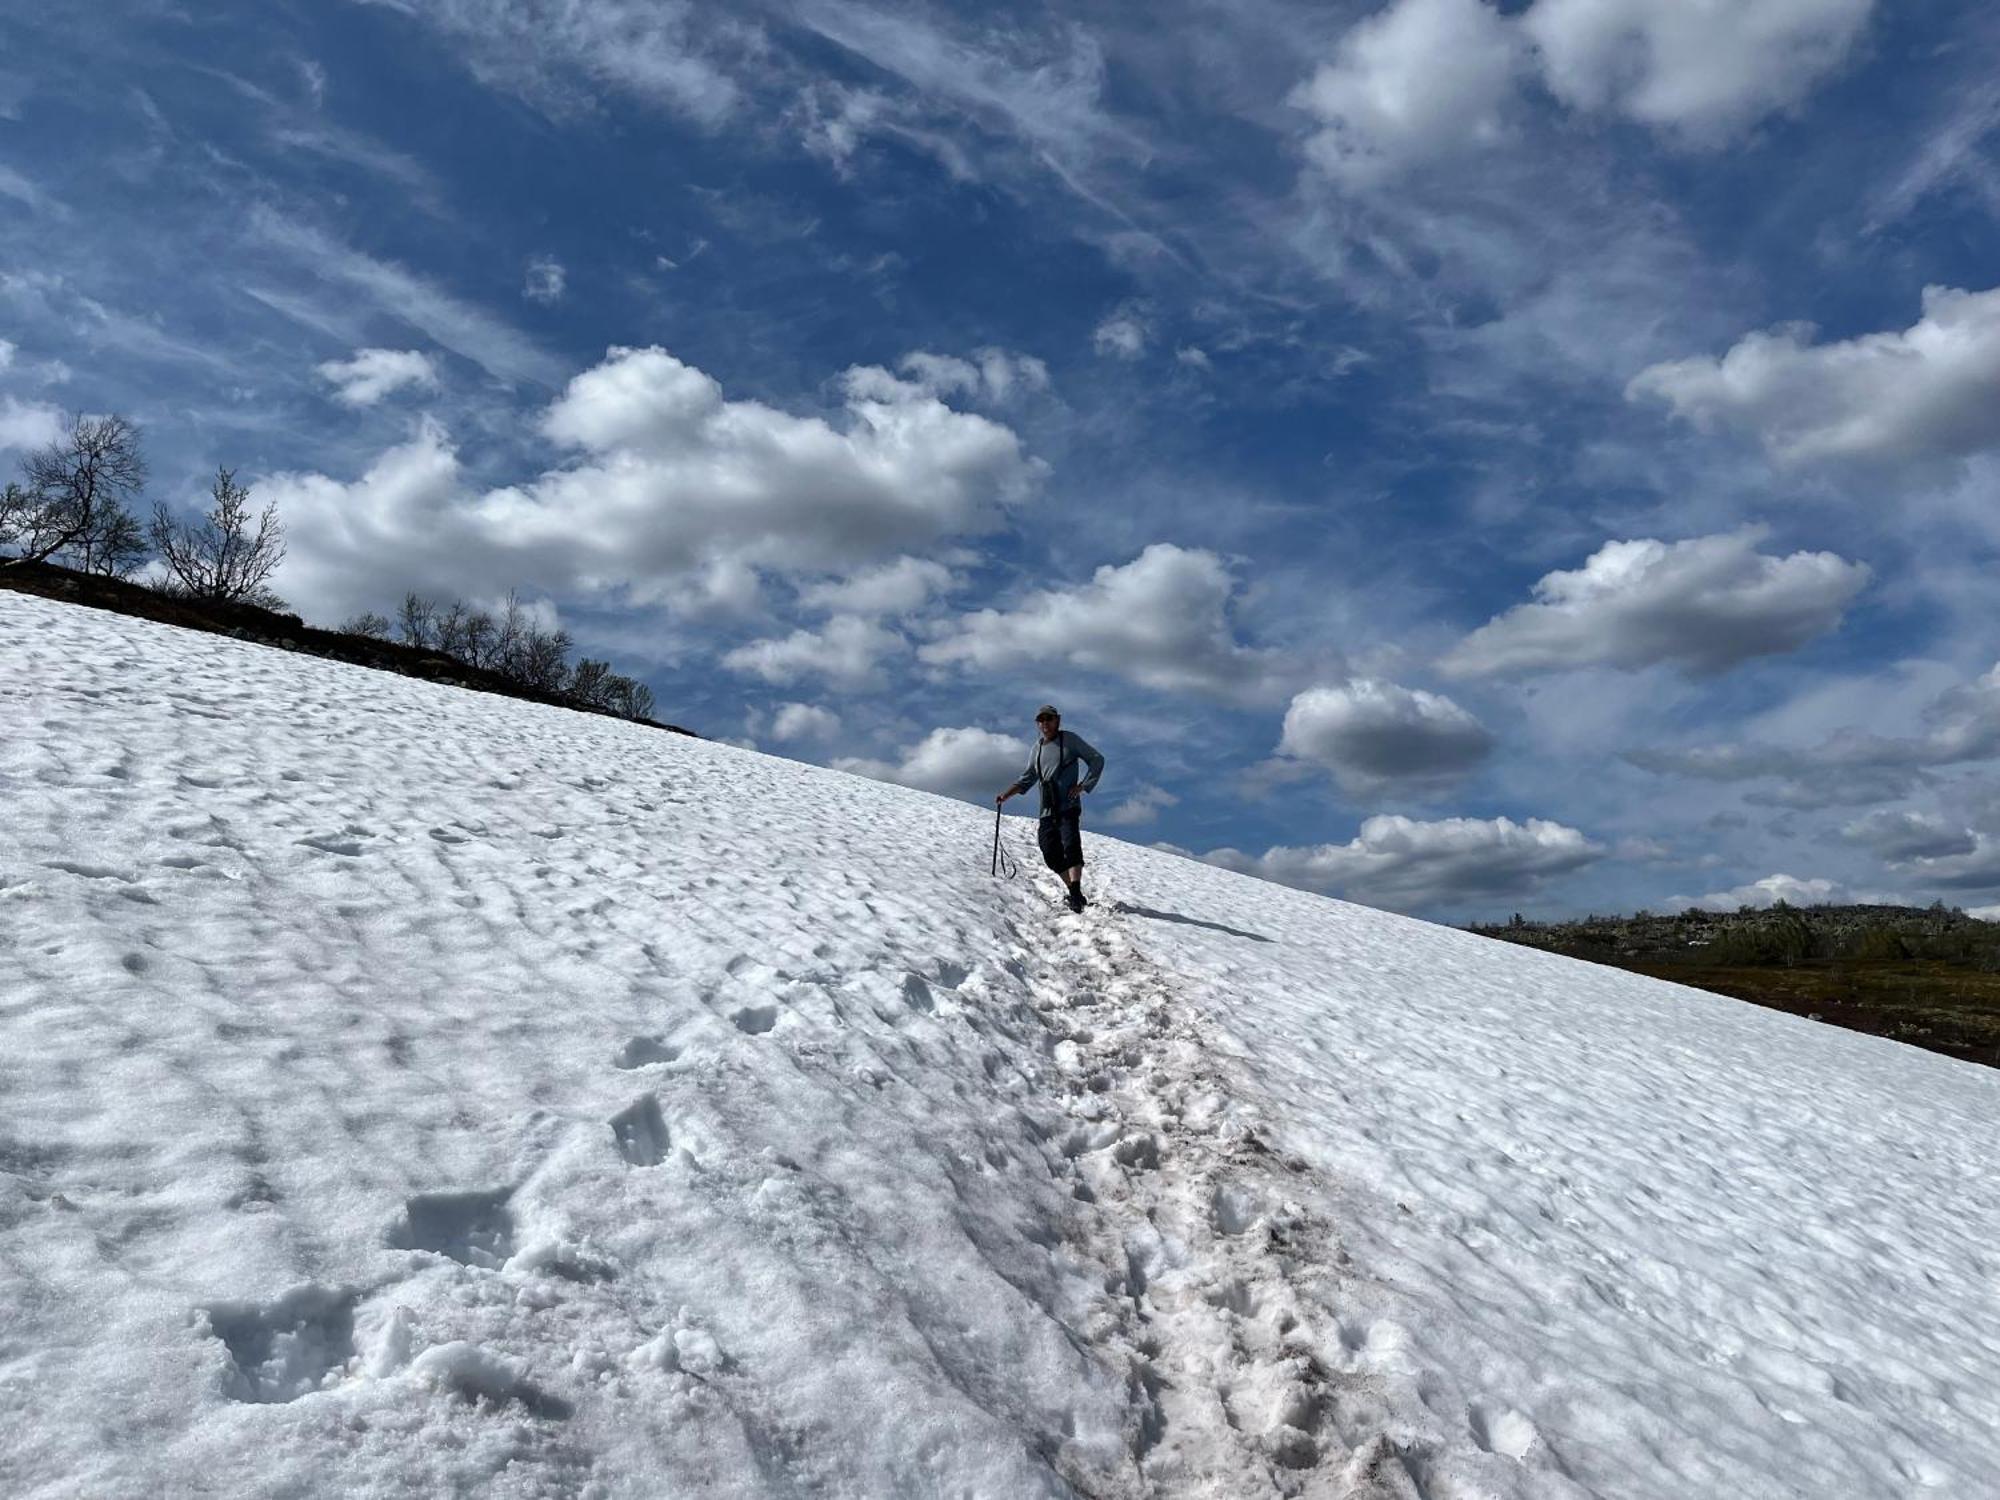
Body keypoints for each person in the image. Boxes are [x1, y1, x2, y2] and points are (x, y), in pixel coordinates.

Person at [996, 704, 1104, 912]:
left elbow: (1097, 759)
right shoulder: (1036, 748)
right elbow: (1027, 778)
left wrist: (1084, 785)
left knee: (1071, 844)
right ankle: (1074, 891)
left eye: (1049, 718)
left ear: (1057, 720)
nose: (1045, 723)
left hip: (1068, 806)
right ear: (1038, 723)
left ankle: (1075, 893)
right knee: (1050, 852)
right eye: (1041, 720)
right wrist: (1005, 795)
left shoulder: (1069, 740)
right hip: (1047, 809)